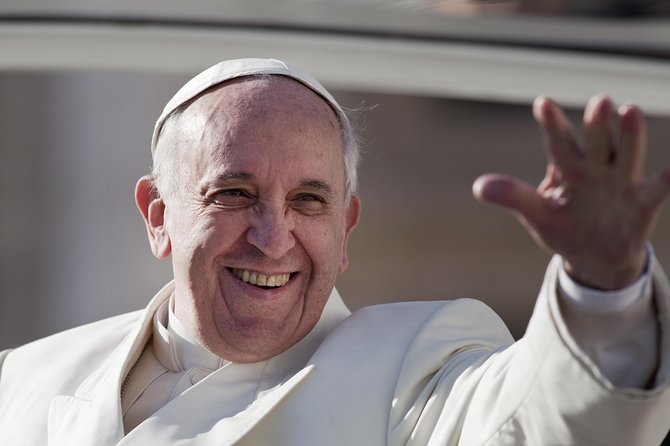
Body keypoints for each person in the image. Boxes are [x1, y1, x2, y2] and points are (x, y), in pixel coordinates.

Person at [1, 58, 669, 445]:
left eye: (309, 201)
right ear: (157, 216)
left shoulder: (416, 367)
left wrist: (603, 287)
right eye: (234, 194)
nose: (272, 237)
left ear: (345, 227)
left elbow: (534, 426)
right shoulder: (23, 380)